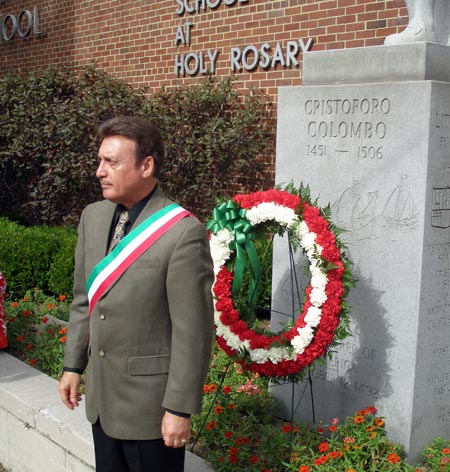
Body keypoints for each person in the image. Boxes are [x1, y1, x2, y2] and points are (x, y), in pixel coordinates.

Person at [58, 116, 214, 472]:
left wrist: (179, 407)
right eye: (99, 161)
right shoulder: (93, 217)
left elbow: (193, 331)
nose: (100, 171)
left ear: (146, 166)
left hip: (151, 410)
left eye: (111, 162)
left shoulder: (182, 232)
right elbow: (84, 298)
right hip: (102, 401)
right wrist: (72, 365)